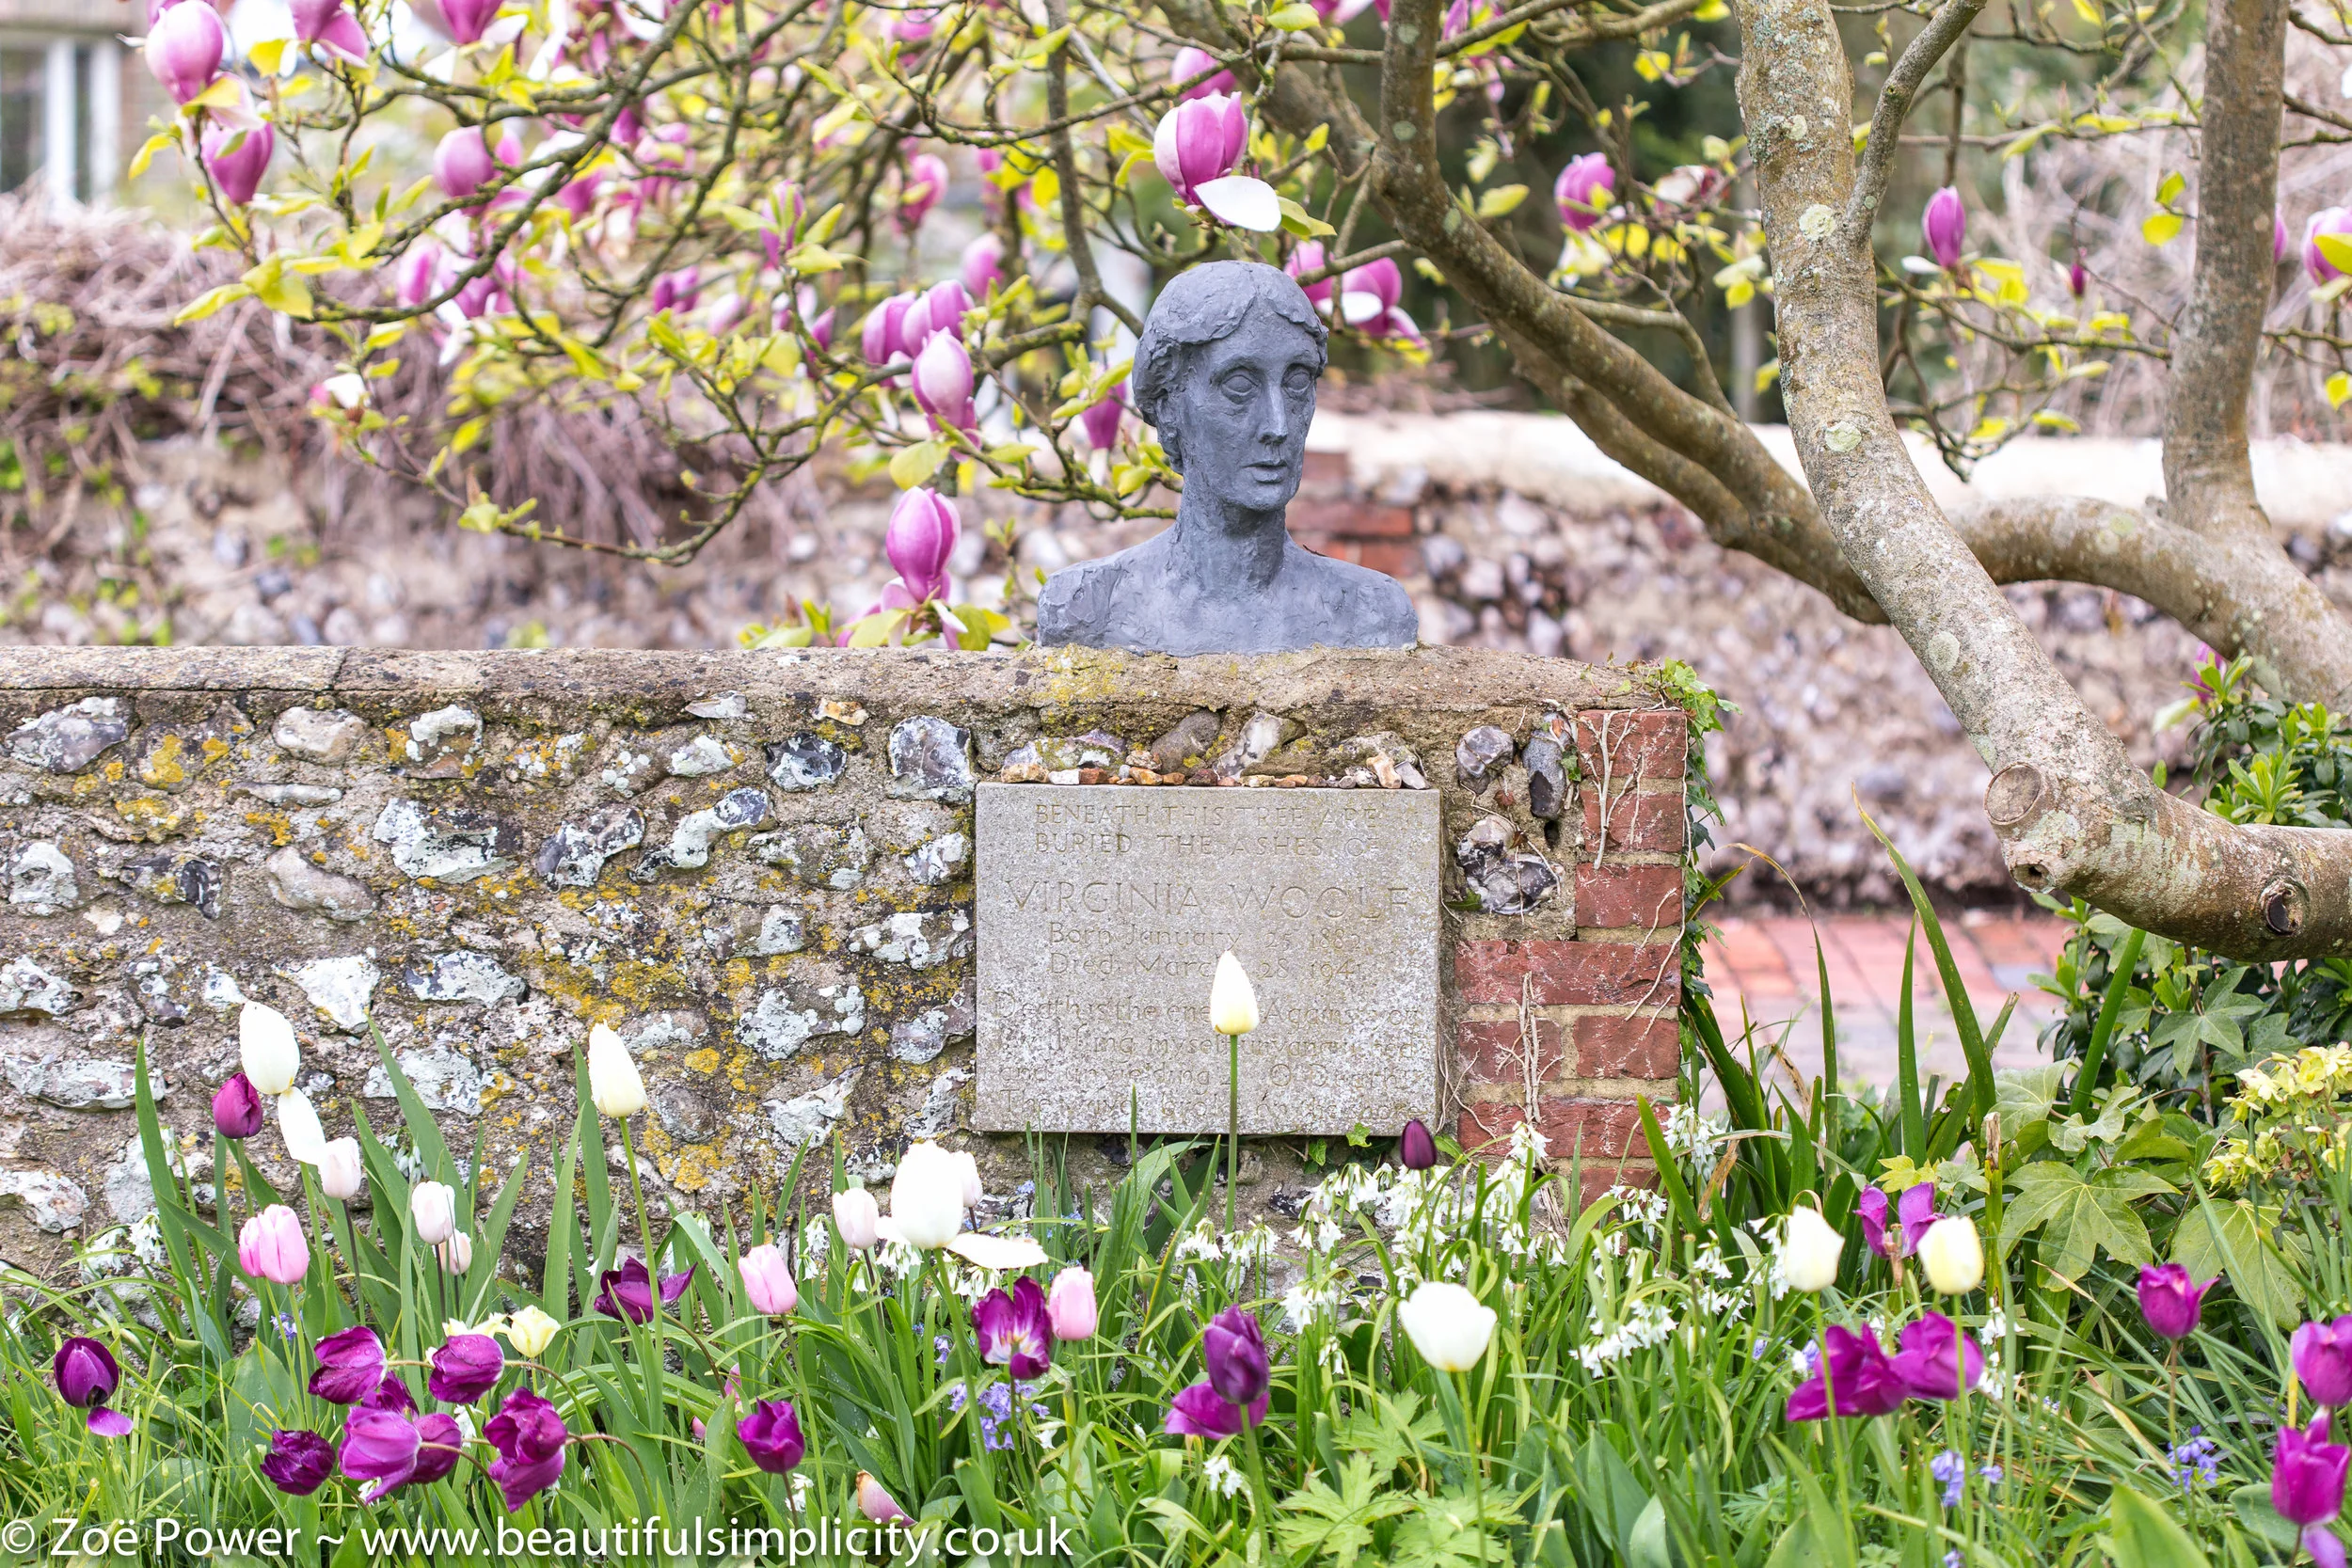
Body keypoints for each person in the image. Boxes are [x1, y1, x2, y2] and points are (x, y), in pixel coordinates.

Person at [1036, 261, 1419, 655]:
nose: (1278, 424)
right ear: (1169, 411)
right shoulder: (1089, 606)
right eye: (1239, 385)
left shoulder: (1372, 612)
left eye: (1297, 381)